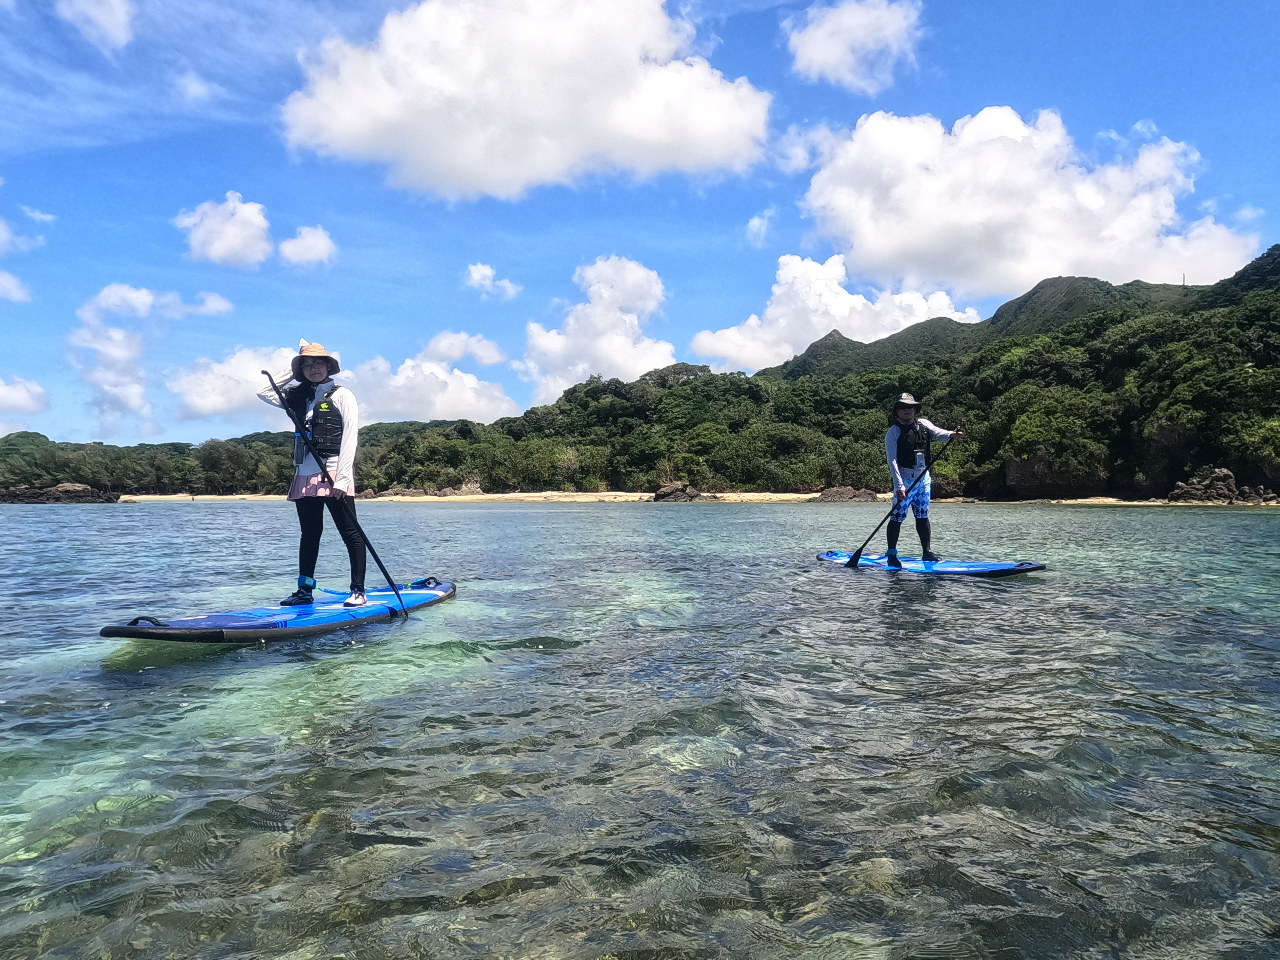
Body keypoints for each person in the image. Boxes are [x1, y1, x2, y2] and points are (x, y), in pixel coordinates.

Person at [258, 341, 367, 607]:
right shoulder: (300, 397)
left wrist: (342, 479)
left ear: (329, 366)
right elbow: (264, 392)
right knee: (310, 534)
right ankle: (304, 591)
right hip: (305, 474)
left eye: (319, 363)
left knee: (350, 532)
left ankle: (358, 591)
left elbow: (350, 438)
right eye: (307, 365)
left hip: (333, 472)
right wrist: (294, 367)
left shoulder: (343, 395)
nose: (314, 368)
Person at [884, 393, 962, 565]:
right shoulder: (894, 431)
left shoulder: (924, 425)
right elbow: (892, 460)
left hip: (923, 479)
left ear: (915, 409)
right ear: (897, 411)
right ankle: (891, 554)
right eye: (903, 407)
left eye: (910, 407)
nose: (907, 410)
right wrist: (899, 486)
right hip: (904, 479)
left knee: (922, 515)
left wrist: (951, 434)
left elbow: (939, 433)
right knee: (897, 516)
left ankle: (927, 552)